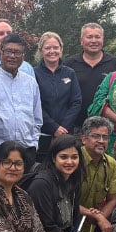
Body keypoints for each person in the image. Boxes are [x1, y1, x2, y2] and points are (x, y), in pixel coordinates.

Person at [0, 33, 42, 177]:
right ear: (1, 53)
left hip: (26, 150)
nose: (13, 56)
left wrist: (34, 144)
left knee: (23, 190)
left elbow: (37, 118)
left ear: (23, 56)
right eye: (9, 51)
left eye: (17, 52)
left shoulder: (30, 82)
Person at [77, 116, 116, 232]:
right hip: (67, 221)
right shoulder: (73, 159)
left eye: (105, 137)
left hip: (88, 224)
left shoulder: (111, 164)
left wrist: (99, 217)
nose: (101, 141)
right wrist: (97, 217)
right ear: (84, 139)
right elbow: (66, 201)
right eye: (96, 136)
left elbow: (112, 199)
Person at [34, 32, 81, 163]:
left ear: (61, 49)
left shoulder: (70, 73)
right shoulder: (34, 73)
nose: (52, 51)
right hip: (43, 133)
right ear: (41, 50)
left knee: (66, 166)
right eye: (48, 48)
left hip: (66, 133)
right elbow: (35, 105)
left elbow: (76, 102)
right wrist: (53, 128)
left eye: (55, 47)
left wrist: (63, 128)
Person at [64, 23, 116, 130]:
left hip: (106, 128)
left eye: (97, 37)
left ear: (103, 39)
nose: (94, 41)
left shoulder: (115, 64)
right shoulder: (69, 64)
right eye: (89, 37)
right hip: (75, 127)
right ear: (81, 40)